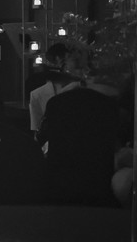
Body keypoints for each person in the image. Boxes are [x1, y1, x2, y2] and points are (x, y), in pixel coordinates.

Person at [39, 63, 127, 207]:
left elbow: (41, 138)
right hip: (101, 189)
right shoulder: (111, 108)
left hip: (58, 189)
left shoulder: (56, 103)